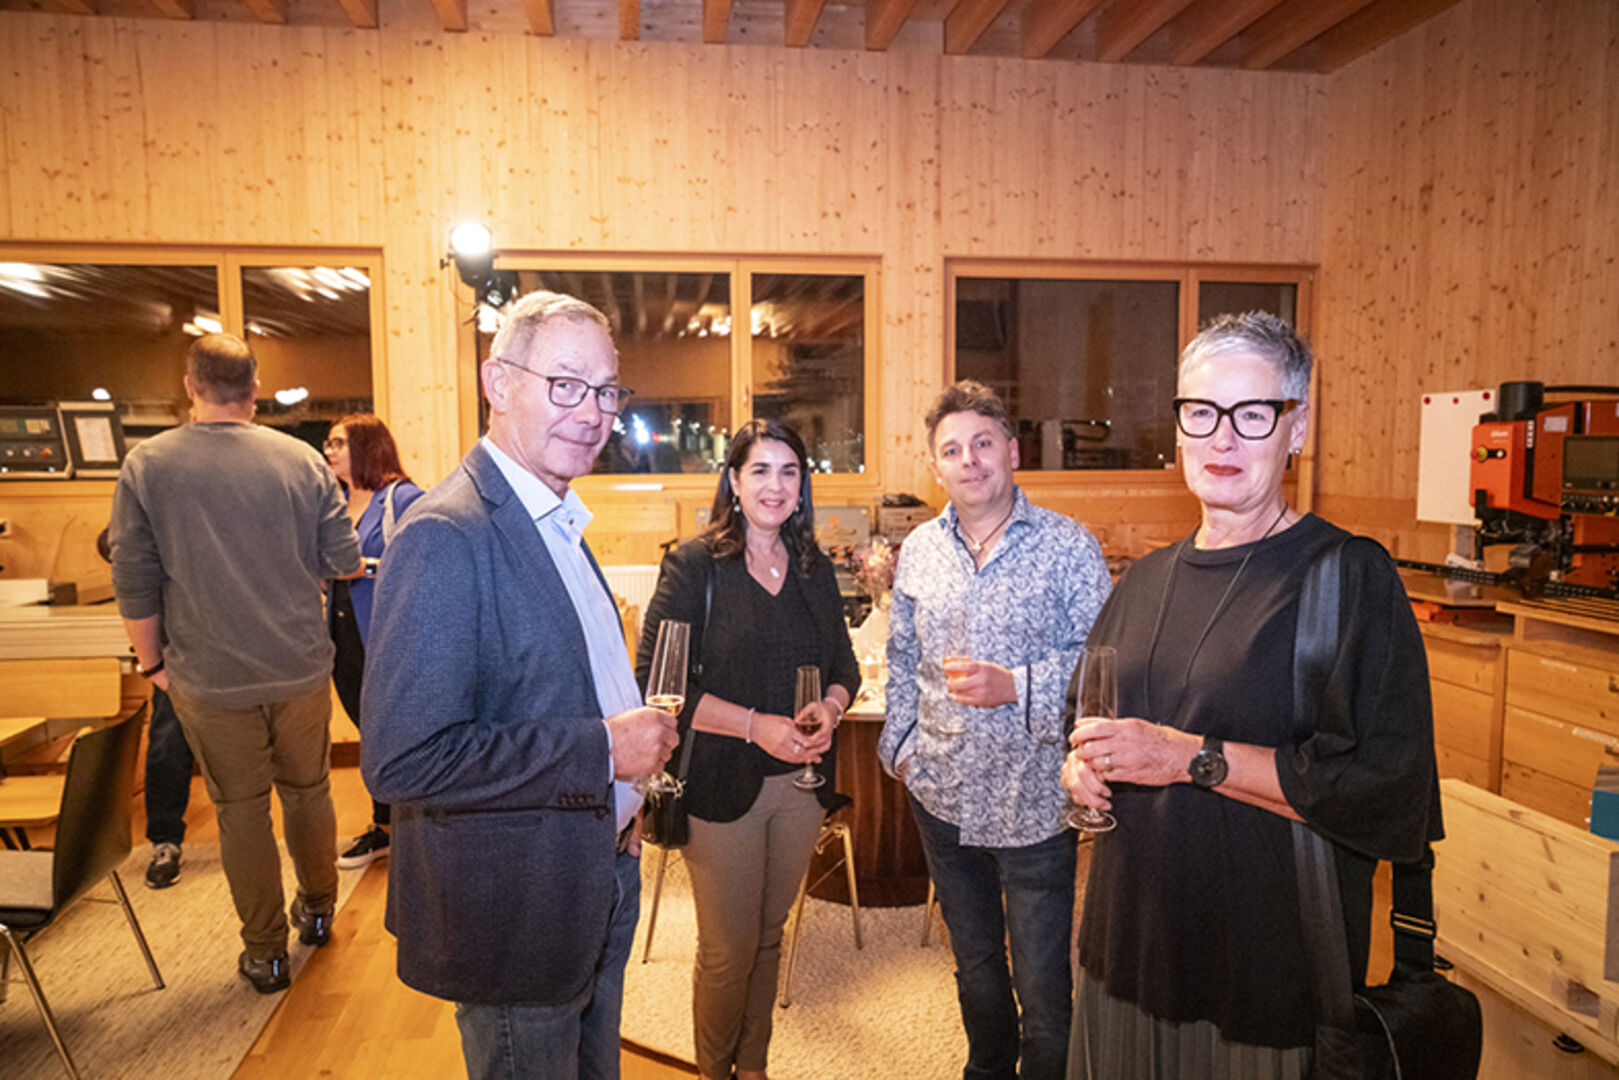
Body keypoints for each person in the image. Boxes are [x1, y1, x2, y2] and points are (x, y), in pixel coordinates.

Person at [1061, 312, 1441, 1078]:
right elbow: (1090, 723)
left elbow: (1385, 794)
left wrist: (1185, 759)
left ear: (1294, 429)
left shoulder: (1346, 579)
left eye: (1252, 414)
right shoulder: (1141, 581)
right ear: (1176, 429)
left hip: (1260, 980)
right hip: (1126, 948)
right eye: (1200, 413)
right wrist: (1081, 771)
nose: (1221, 438)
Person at [359, 290, 679, 1080]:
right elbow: (403, 759)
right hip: (521, 904)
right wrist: (603, 751)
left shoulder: (555, 517)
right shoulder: (446, 534)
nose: (593, 412)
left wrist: (620, 809)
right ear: (497, 383)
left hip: (594, 864)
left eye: (607, 390)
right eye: (565, 384)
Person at [109, 332, 361, 994]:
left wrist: (152, 664)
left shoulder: (149, 465)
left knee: (240, 808)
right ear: (254, 390)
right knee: (308, 791)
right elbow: (346, 560)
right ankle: (318, 910)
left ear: (189, 386)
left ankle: (266, 953)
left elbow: (133, 577)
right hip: (302, 665)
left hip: (209, 675)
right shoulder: (302, 461)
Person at [878, 380, 1112, 1080]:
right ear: (935, 466)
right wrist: (900, 751)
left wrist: (1015, 684)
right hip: (941, 796)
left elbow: (1102, 665)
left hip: (1035, 800)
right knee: (974, 965)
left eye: (982, 443)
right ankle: (985, 1068)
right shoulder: (918, 550)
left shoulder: (1068, 547)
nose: (969, 460)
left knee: (1042, 981)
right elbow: (899, 659)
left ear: (1011, 450)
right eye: (951, 450)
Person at [637, 418, 859, 1080]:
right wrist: (757, 725)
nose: (775, 485)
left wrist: (832, 707)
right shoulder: (694, 566)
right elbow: (660, 687)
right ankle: (714, 1069)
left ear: (802, 486)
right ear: (733, 481)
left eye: (789, 472)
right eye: (759, 470)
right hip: (721, 786)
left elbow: (843, 662)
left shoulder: (814, 569)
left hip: (800, 787)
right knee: (728, 948)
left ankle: (753, 1065)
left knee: (769, 935)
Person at [322, 413, 425, 870]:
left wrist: (363, 566)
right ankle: (387, 827)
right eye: (328, 443)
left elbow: (423, 566)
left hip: (384, 635)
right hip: (343, 634)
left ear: (366, 447)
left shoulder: (401, 499)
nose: (329, 451)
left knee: (392, 733)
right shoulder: (336, 503)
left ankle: (401, 830)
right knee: (368, 731)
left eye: (338, 443)